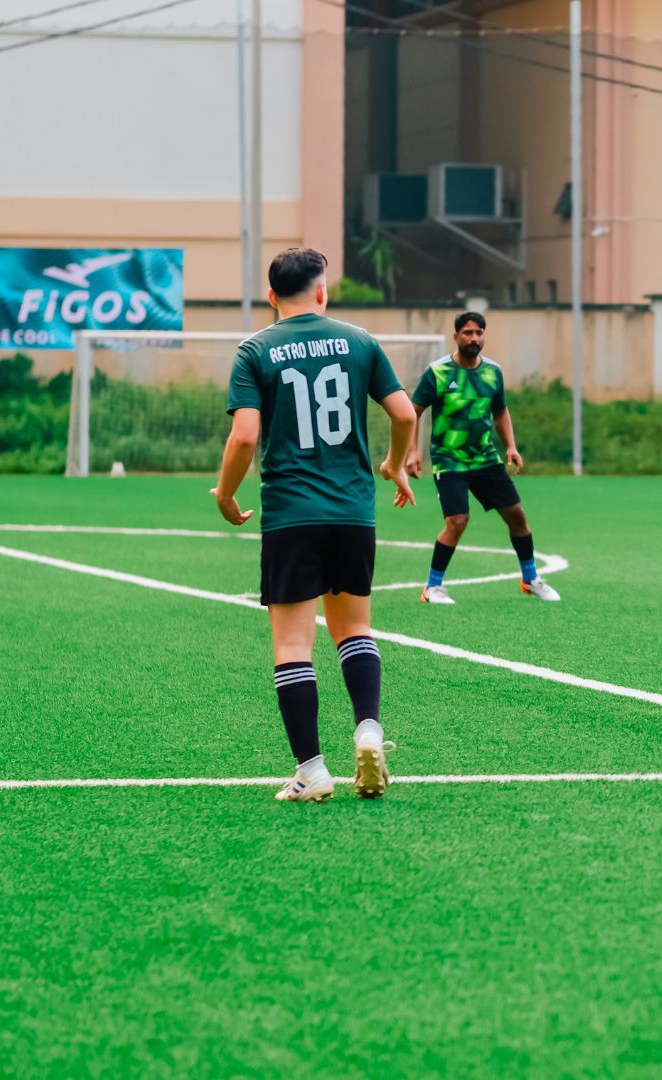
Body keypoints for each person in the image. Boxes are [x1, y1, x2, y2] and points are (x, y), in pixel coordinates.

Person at [215, 248, 417, 803]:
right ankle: (369, 730)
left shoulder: (255, 350)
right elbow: (404, 413)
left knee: (292, 642)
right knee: (354, 629)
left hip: (291, 515)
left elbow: (245, 436)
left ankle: (311, 770)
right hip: (352, 512)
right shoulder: (360, 341)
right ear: (322, 291)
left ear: (271, 296)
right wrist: (395, 464)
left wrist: (226, 493)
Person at [405, 311, 560, 604]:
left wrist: (511, 446)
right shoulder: (438, 372)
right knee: (457, 521)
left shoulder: (493, 372)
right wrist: (413, 451)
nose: (473, 338)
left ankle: (530, 579)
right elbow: (413, 411)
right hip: (450, 461)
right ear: (456, 337)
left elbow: (500, 412)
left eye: (479, 333)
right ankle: (432, 587)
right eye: (468, 333)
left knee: (517, 516)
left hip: (485, 459)